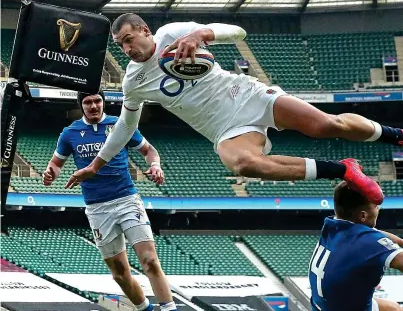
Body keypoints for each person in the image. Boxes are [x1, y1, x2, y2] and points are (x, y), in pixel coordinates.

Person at [65, 15, 403, 203]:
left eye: (128, 39)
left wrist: (200, 34)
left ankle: (396, 136)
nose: (126, 48)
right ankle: (344, 170)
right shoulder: (133, 81)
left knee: (328, 125)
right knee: (242, 163)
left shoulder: (175, 33)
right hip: (225, 130)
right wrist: (96, 165)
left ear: (145, 30)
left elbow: (238, 30)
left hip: (247, 95)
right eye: (120, 45)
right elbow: (125, 126)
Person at [43, 89, 190, 311]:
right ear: (81, 106)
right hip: (97, 209)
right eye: (87, 102)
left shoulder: (120, 125)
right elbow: (56, 164)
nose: (93, 106)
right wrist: (50, 172)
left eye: (97, 101)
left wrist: (155, 164)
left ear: (103, 102)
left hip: (127, 200)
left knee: (150, 261)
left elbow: (149, 151)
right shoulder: (70, 133)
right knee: (121, 274)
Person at [309, 181, 403, 311]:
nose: (378, 209)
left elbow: (377, 236)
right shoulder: (367, 243)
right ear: (362, 216)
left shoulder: (332, 226)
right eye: (375, 205)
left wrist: (400, 242)